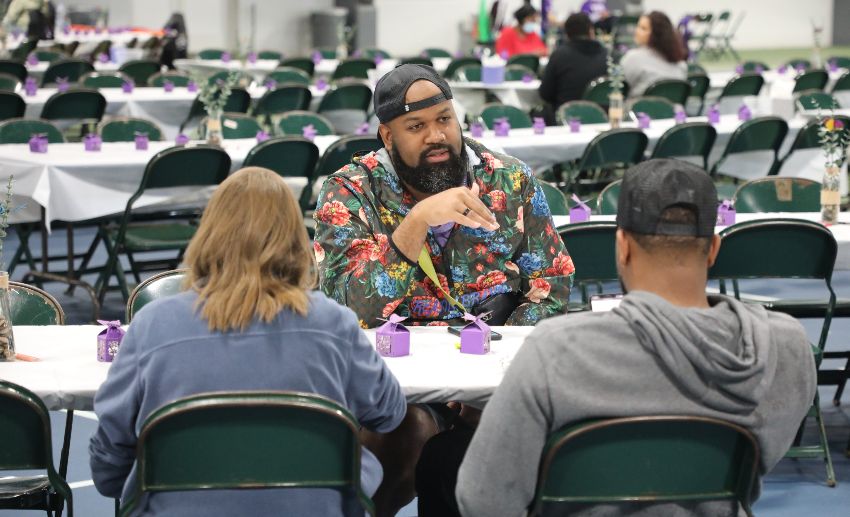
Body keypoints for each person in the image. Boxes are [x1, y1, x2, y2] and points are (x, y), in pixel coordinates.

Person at [417, 158, 816, 516]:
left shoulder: (558, 349)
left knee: (442, 457)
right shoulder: (786, 346)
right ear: (713, 249)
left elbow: (482, 498)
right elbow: (759, 457)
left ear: (622, 246)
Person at [313, 63, 573, 516]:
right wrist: (415, 224)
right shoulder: (350, 193)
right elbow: (345, 306)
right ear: (387, 137)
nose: (436, 135)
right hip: (401, 388)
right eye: (416, 126)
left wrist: (496, 372)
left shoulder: (508, 180)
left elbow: (552, 282)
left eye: (444, 120)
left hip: (496, 377)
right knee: (401, 441)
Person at [89, 167, 406, 516]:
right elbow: (389, 414)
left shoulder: (153, 325)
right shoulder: (334, 323)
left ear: (209, 232)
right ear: (297, 237)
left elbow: (110, 456)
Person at [538, 12, 607, 125]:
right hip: (601, 121)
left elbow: (545, 94)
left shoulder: (559, 55)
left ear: (567, 34)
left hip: (566, 121)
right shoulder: (606, 56)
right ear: (591, 31)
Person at [620, 11, 687, 98]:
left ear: (657, 34)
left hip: (641, 110)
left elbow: (618, 88)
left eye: (643, 28)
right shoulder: (681, 64)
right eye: (638, 26)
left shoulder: (633, 58)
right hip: (674, 111)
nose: (636, 31)